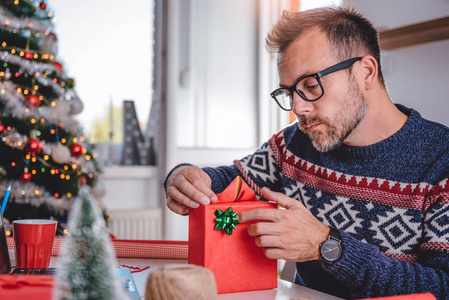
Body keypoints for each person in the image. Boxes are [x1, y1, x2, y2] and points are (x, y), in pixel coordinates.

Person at [163, 7, 449, 299]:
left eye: (311, 86)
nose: (298, 108)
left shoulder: (441, 161)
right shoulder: (294, 144)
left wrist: (328, 246)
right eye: (288, 93)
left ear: (366, 72)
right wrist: (182, 176)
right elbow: (232, 180)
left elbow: (444, 286)